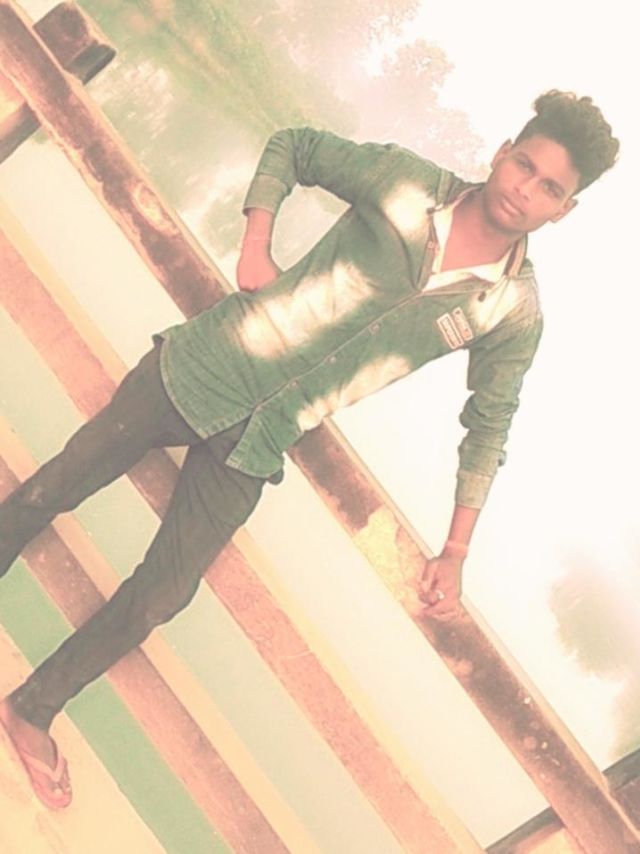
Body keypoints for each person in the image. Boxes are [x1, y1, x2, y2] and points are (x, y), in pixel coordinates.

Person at [0, 90, 618, 809]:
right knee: (50, 490)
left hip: (263, 438)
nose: (526, 189)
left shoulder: (509, 310)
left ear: (564, 210)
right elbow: (294, 146)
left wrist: (455, 549)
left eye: (551, 189)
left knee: (161, 595)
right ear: (504, 151)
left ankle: (32, 708)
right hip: (203, 367)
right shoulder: (405, 183)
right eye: (525, 165)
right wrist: (255, 244)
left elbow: (489, 424)